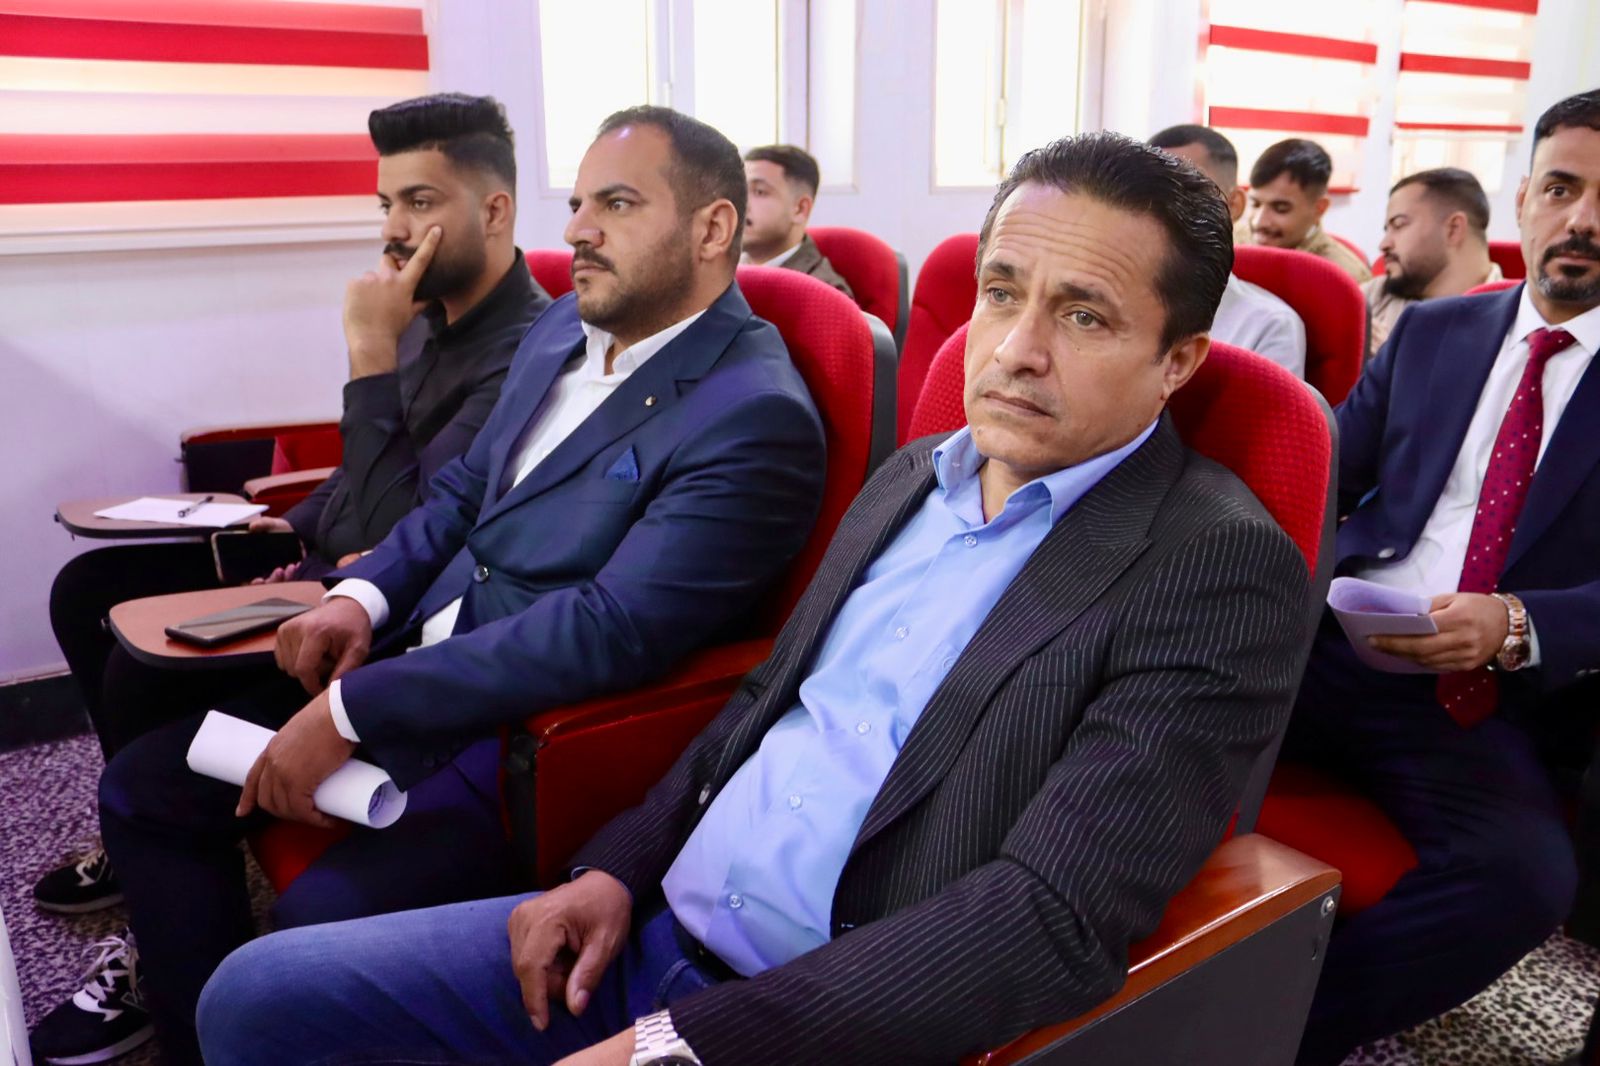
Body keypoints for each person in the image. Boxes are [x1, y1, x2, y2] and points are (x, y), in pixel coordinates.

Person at [195, 131, 1311, 1066]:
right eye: (1001, 293)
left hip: (816, 1013)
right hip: (648, 936)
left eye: (1084, 317)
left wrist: (679, 1045)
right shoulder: (911, 477)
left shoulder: (1213, 569)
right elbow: (761, 704)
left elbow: (1046, 918)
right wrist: (615, 868)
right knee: (256, 997)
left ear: (1178, 361)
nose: (1014, 352)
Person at [32, 105, 827, 1066]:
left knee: (305, 939)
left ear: (711, 228)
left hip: (521, 739)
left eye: (617, 204)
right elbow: (459, 495)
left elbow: (608, 628)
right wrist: (358, 599)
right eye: (578, 204)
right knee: (146, 787)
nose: (578, 228)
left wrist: (354, 709)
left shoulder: (753, 414)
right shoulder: (565, 328)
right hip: (411, 652)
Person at [30, 92, 549, 1000]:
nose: (394, 230)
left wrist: (368, 353)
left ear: (495, 209)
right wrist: (289, 521)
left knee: (145, 749)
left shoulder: (521, 352)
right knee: (91, 594)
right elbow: (361, 477)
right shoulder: (425, 316)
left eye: (421, 202)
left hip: (379, 615)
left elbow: (400, 529)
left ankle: (172, 919)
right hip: (321, 563)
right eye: (385, 203)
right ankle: (157, 873)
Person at [1280, 89, 1600, 1065]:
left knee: (1524, 881)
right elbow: (1324, 473)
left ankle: (1273, 1031)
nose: (1582, 220)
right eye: (1562, 188)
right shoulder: (1433, 333)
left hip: (1475, 696)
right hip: (1334, 642)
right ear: (1524, 198)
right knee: (1128, 697)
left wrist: (1517, 623)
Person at [1151, 124, 1308, 376]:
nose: (1165, 211)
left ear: (1233, 205)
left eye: (1189, 192)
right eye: (1150, 196)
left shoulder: (1270, 325)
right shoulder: (1110, 305)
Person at [1367, 167, 1503, 351]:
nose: (1384, 244)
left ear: (1453, 229)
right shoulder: (1377, 295)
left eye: (1399, 225)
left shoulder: (1511, 322)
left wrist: (1391, 360)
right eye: (1387, 230)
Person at [1244, 138, 1372, 282]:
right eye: (1255, 204)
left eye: (1280, 208)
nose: (1259, 222)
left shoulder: (1343, 278)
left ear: (1319, 209)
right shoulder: (1232, 243)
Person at [740, 145, 854, 298]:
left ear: (800, 209)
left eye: (759, 192)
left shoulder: (826, 296)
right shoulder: (720, 270)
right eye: (739, 190)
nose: (740, 203)